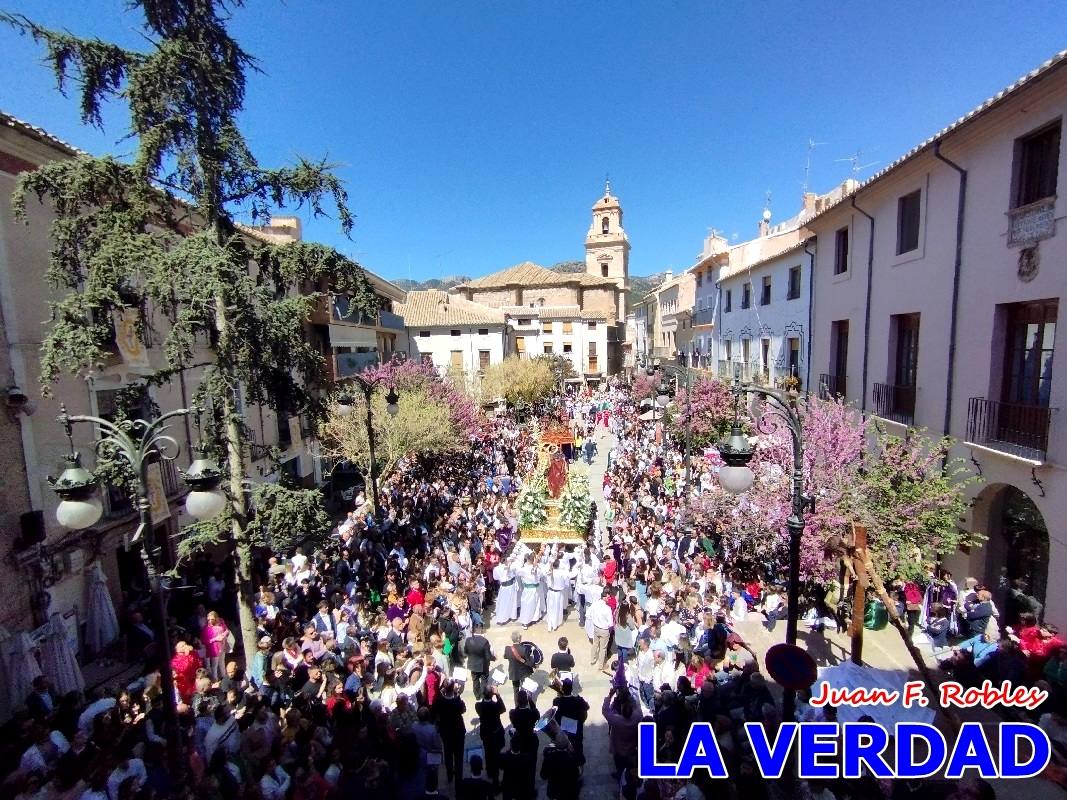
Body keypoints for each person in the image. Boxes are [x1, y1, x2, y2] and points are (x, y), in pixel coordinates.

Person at [434, 678, 467, 788]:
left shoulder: (439, 701)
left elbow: (435, 712)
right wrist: (457, 694)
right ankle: (459, 779)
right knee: (459, 756)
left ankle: (449, 775)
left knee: (448, 754)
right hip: (458, 732)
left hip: (446, 732)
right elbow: (463, 709)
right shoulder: (457, 701)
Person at [475, 685, 506, 791]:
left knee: (488, 753)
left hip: (486, 734)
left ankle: (489, 772)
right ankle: (495, 778)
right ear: (491, 694)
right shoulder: (495, 706)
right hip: (496, 733)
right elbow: (503, 708)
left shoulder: (478, 706)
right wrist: (497, 694)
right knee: (496, 755)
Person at [552, 678, 589, 763]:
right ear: (572, 689)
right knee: (578, 745)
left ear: (562, 689)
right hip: (576, 729)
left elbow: (555, 712)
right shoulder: (578, 700)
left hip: (563, 729)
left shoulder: (557, 701)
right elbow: (587, 707)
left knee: (564, 746)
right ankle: (579, 761)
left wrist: (560, 694)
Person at [540, 732, 581, 800]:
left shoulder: (549, 758)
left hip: (554, 793)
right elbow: (577, 774)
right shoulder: (571, 758)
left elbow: (543, 775)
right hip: (569, 793)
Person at [463, 628, 496, 699]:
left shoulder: (468, 640)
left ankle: (477, 696)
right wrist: (493, 658)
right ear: (481, 632)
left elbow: (465, 652)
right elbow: (487, 656)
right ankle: (483, 695)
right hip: (483, 666)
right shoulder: (485, 641)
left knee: (475, 681)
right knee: (484, 680)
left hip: (472, 665)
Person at [504, 631, 534, 705]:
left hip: (513, 672)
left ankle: (517, 705)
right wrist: (532, 656)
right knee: (526, 688)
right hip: (524, 673)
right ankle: (525, 703)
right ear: (518, 639)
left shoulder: (507, 649)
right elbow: (529, 662)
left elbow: (505, 656)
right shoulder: (524, 649)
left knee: (515, 690)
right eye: (520, 637)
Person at [201, 610, 230, 681]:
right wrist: (215, 639)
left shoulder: (221, 623)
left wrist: (224, 634)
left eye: (212, 619)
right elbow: (205, 641)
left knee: (222, 663)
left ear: (216, 618)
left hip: (222, 647)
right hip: (214, 649)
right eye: (208, 620)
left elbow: (226, 630)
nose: (210, 621)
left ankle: (224, 677)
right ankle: (215, 679)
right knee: (214, 665)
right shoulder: (206, 628)